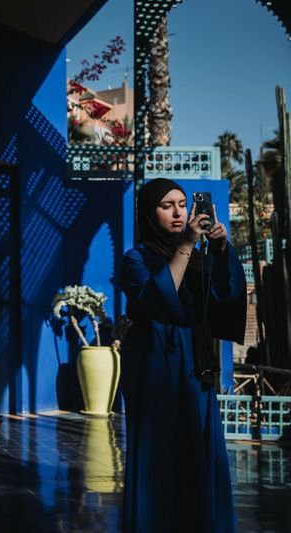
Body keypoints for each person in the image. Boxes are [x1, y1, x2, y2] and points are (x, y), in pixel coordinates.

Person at [119, 178, 246, 532]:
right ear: (150, 211)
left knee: (198, 449)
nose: (178, 212)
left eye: (182, 203)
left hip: (196, 362)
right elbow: (158, 297)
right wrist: (188, 244)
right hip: (156, 362)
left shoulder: (199, 257)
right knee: (161, 450)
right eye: (166, 205)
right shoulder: (137, 258)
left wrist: (221, 250)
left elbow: (226, 298)